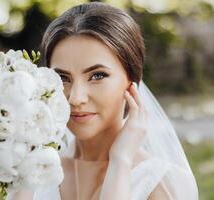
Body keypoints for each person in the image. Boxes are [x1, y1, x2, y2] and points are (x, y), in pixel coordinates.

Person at [11, 2, 199, 199]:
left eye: (97, 76)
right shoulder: (33, 169)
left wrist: (121, 161)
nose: (75, 98)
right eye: (63, 78)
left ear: (131, 80)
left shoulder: (167, 184)